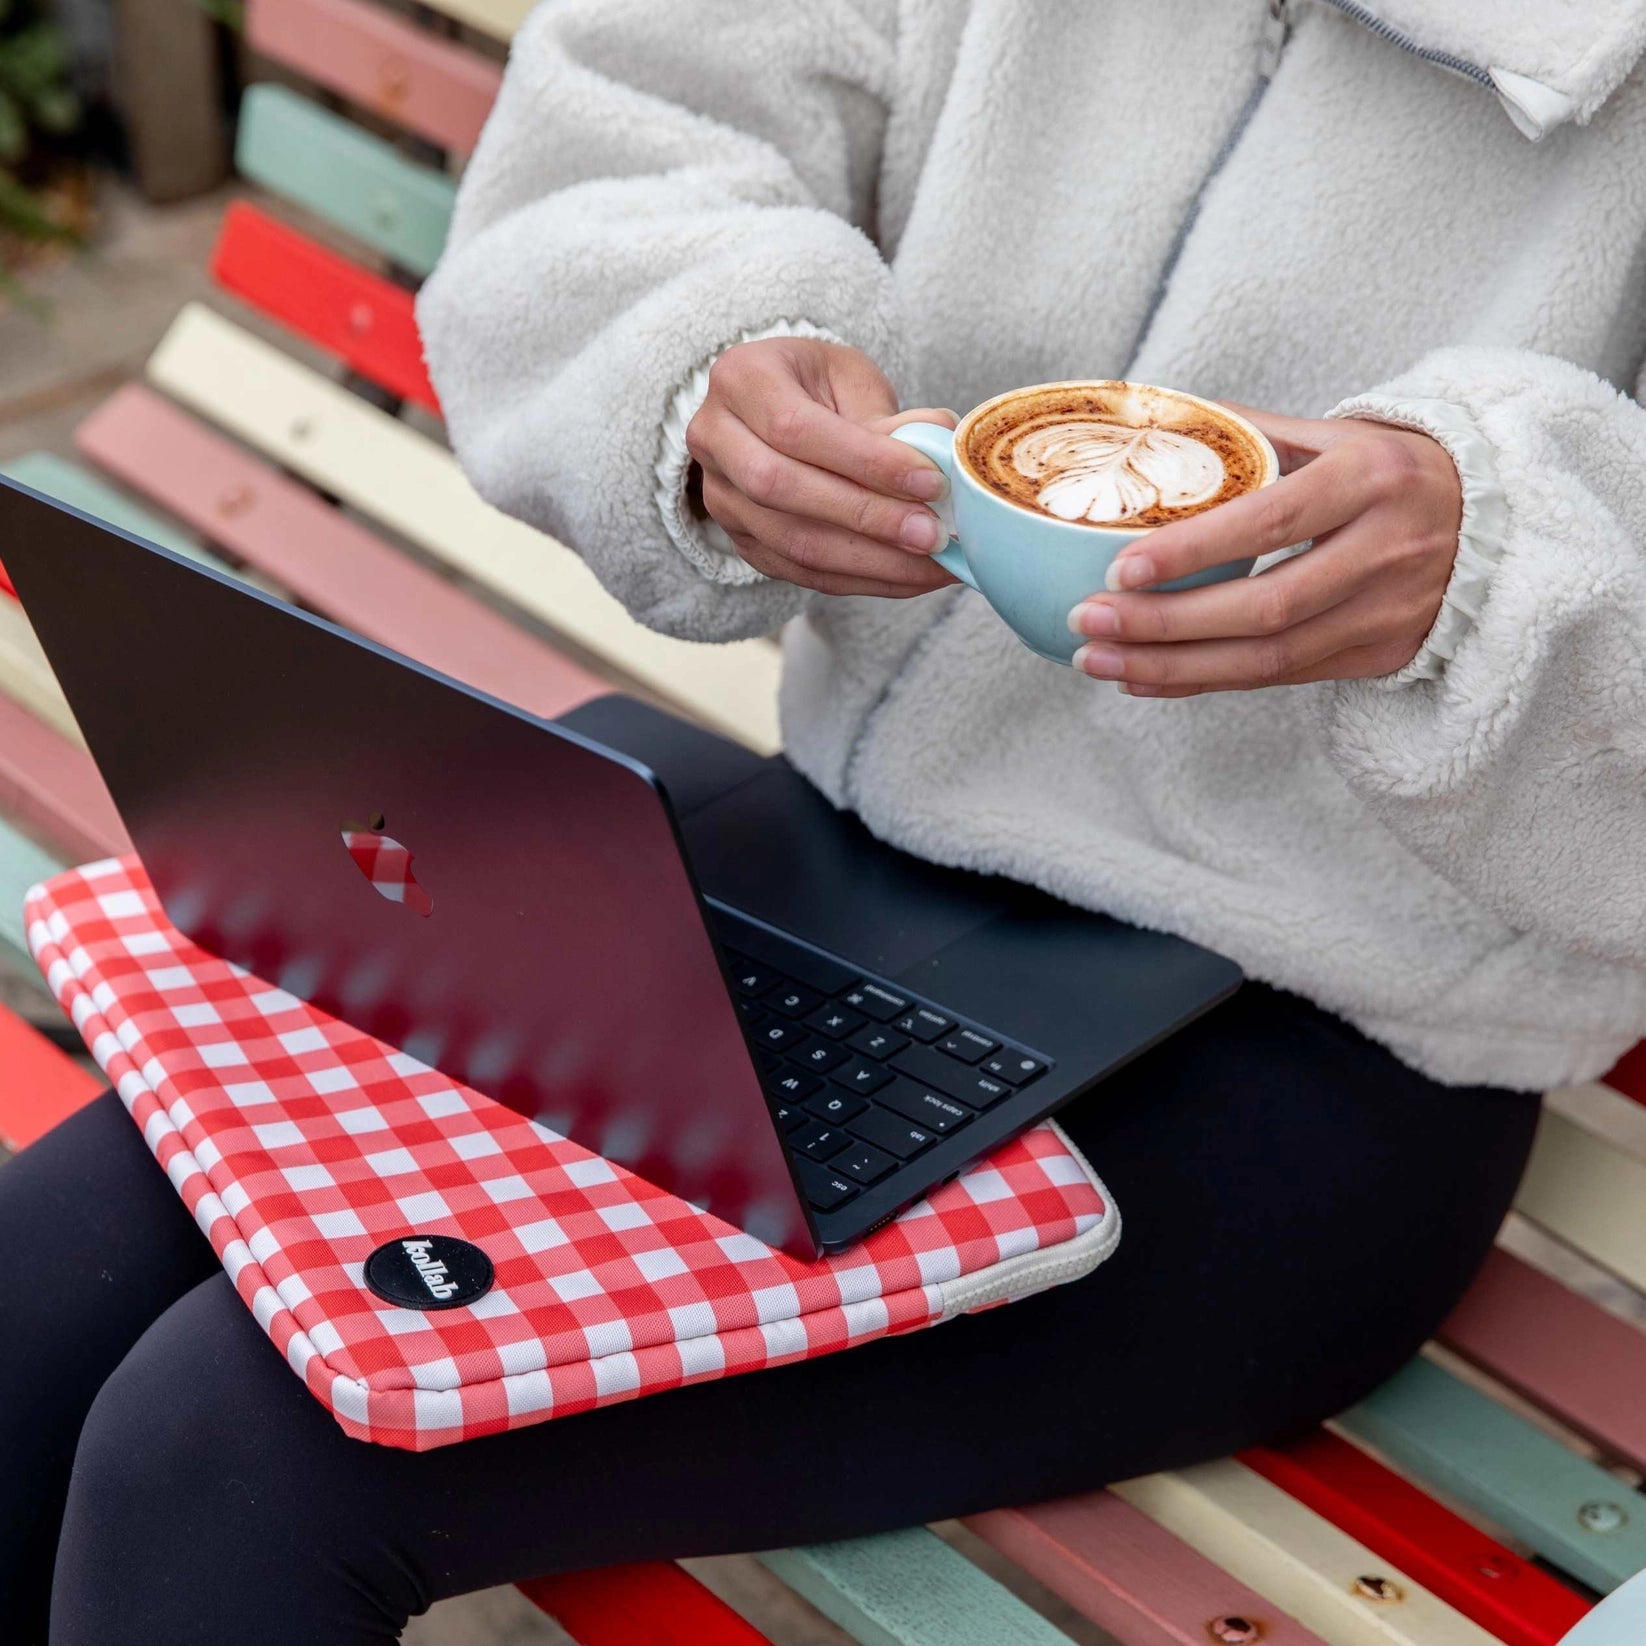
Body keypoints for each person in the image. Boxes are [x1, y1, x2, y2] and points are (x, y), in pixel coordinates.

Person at [5, 2, 1645, 1639]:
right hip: (832, 853)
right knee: (33, 1292)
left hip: (1321, 1032)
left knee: (233, 1452)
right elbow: (640, 121)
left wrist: (1507, 577)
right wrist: (707, 364)